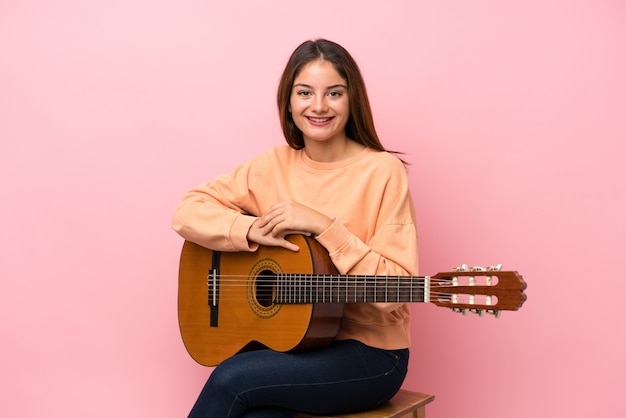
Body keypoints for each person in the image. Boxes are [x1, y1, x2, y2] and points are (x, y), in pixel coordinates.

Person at [172, 38, 419, 418]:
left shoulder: (382, 172)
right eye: (305, 93)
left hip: (371, 356)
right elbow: (186, 213)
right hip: (294, 348)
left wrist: (322, 225)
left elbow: (395, 290)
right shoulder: (272, 165)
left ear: (352, 100)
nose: (318, 106)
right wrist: (248, 231)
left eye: (333, 93)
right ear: (289, 101)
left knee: (231, 378)